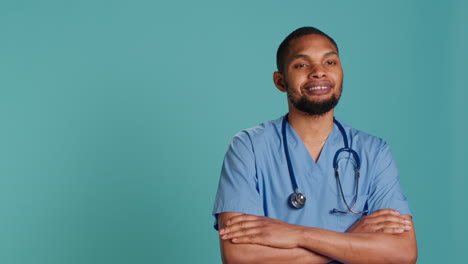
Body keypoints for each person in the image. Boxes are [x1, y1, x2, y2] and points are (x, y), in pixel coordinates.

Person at [212, 26, 417, 264]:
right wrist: (350, 241)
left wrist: (296, 234)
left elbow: (402, 253)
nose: (318, 72)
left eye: (330, 62)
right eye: (301, 65)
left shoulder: (374, 152)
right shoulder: (248, 148)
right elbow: (240, 257)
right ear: (280, 81)